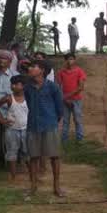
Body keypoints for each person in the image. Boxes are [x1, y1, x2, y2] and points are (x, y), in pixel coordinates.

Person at [24, 59, 65, 197]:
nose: (30, 68)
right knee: (33, 157)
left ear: (42, 70)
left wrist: (53, 121)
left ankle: (57, 186)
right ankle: (33, 186)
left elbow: (60, 108)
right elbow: (29, 105)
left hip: (49, 125)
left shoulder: (53, 87)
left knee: (54, 156)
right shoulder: (27, 88)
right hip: (33, 125)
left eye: (33, 66)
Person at [0, 75, 29, 180]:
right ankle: (13, 176)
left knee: (27, 152)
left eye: (16, 84)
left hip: (26, 129)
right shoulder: (8, 98)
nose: (13, 86)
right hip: (12, 130)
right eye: (12, 84)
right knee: (12, 152)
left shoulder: (29, 97)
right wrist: (2, 120)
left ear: (23, 86)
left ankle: (31, 174)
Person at [56, 53, 86, 142]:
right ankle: (64, 140)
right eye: (68, 59)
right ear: (65, 61)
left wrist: (66, 96)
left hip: (76, 100)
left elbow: (81, 87)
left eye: (72, 59)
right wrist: (64, 98)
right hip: (65, 100)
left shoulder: (79, 71)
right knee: (65, 121)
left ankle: (80, 139)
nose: (70, 61)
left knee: (78, 119)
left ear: (75, 60)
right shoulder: (61, 72)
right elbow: (58, 86)